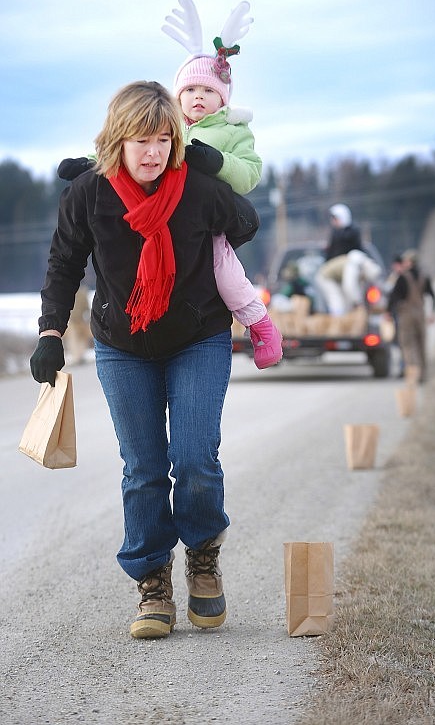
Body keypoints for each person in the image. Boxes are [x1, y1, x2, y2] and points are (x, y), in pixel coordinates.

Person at [29, 80, 261, 640]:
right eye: (141, 140)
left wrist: (215, 168)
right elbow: (64, 265)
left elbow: (246, 222)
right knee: (144, 470)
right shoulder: (88, 193)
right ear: (118, 140)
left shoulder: (196, 189)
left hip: (199, 338)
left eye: (163, 139)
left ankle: (203, 555)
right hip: (121, 345)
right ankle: (152, 582)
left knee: (196, 458)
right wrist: (51, 333)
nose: (154, 152)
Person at [58, 0, 282, 370]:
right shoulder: (168, 125)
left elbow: (250, 173)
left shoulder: (233, 130)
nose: (199, 98)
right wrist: (89, 164)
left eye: (209, 92)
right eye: (191, 91)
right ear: (178, 96)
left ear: (223, 99)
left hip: (205, 216)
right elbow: (131, 149)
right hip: (163, 211)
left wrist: (218, 161)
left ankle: (259, 323)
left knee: (225, 273)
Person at [316, 204, 381, 314]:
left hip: (344, 271)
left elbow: (352, 285)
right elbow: (349, 286)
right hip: (334, 275)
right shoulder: (351, 260)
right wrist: (357, 303)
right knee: (338, 301)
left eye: (335, 219)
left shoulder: (354, 255)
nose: (333, 222)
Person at [386, 248, 435, 382]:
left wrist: (388, 312)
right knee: (421, 344)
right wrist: (433, 313)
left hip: (406, 316)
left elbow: (393, 297)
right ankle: (423, 375)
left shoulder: (402, 277)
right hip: (421, 314)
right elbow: (433, 296)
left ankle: (413, 373)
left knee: (408, 345)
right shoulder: (424, 277)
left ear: (409, 262)